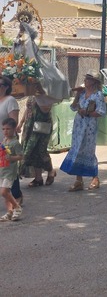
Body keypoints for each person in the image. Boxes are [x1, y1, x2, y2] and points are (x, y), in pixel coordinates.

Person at [60, 70, 106, 191]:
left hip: (89, 127)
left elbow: (101, 111)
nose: (85, 81)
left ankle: (95, 178)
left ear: (94, 82)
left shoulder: (98, 95)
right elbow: (73, 107)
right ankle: (78, 180)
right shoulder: (82, 93)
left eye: (88, 79)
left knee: (88, 151)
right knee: (77, 150)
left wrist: (87, 112)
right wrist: (77, 95)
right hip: (79, 126)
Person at [18, 95, 56, 187]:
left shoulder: (45, 95)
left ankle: (50, 170)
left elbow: (46, 109)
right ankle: (38, 178)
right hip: (30, 126)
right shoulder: (31, 95)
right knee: (32, 152)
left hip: (41, 126)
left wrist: (39, 97)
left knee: (41, 151)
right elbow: (28, 110)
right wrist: (21, 123)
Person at [0, 76, 22, 206]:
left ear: (6, 87)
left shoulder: (10, 101)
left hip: (6, 141)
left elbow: (13, 122)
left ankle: (16, 195)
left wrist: (8, 142)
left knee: (8, 168)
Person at [0, 118, 23, 221]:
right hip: (3, 170)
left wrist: (11, 158)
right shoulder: (4, 141)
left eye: (8, 129)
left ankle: (17, 207)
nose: (5, 131)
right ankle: (9, 212)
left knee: (4, 192)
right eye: (3, 129)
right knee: (6, 193)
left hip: (10, 172)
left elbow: (21, 156)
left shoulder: (15, 143)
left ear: (14, 129)